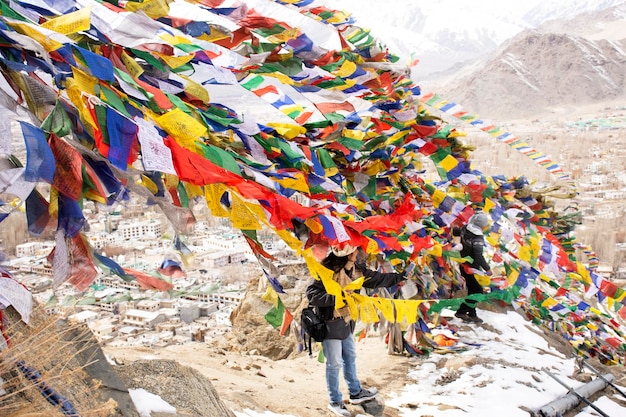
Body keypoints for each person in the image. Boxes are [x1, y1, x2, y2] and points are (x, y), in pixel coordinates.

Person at [306, 246, 410, 417]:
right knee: (334, 363)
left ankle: (355, 392)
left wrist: (399, 277)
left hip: (346, 322)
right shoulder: (325, 270)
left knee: (350, 357)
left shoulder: (358, 270)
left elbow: (377, 279)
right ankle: (335, 401)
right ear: (348, 253)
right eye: (356, 251)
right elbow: (312, 294)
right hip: (329, 323)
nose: (359, 253)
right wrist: (338, 297)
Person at [454, 212, 492, 324]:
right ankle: (461, 311)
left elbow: (456, 233)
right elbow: (478, 255)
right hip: (472, 268)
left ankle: (472, 313)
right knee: (478, 291)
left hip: (463, 263)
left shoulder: (465, 228)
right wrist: (487, 269)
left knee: (472, 289)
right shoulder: (478, 237)